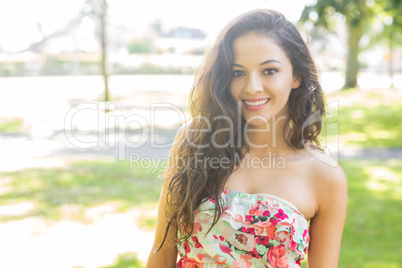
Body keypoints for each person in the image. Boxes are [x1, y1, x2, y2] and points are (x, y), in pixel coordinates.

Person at [146, 9, 347, 268]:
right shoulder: (194, 141)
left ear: (296, 76)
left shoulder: (326, 176)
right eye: (238, 72)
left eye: (269, 71)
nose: (252, 87)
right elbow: (161, 253)